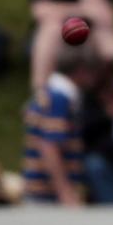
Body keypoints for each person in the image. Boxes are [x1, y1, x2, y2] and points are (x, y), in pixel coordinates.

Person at [23, 53, 100, 205]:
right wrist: (65, 192)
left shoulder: (50, 92)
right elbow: (49, 146)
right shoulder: (60, 98)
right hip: (48, 196)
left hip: (41, 192)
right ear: (81, 71)